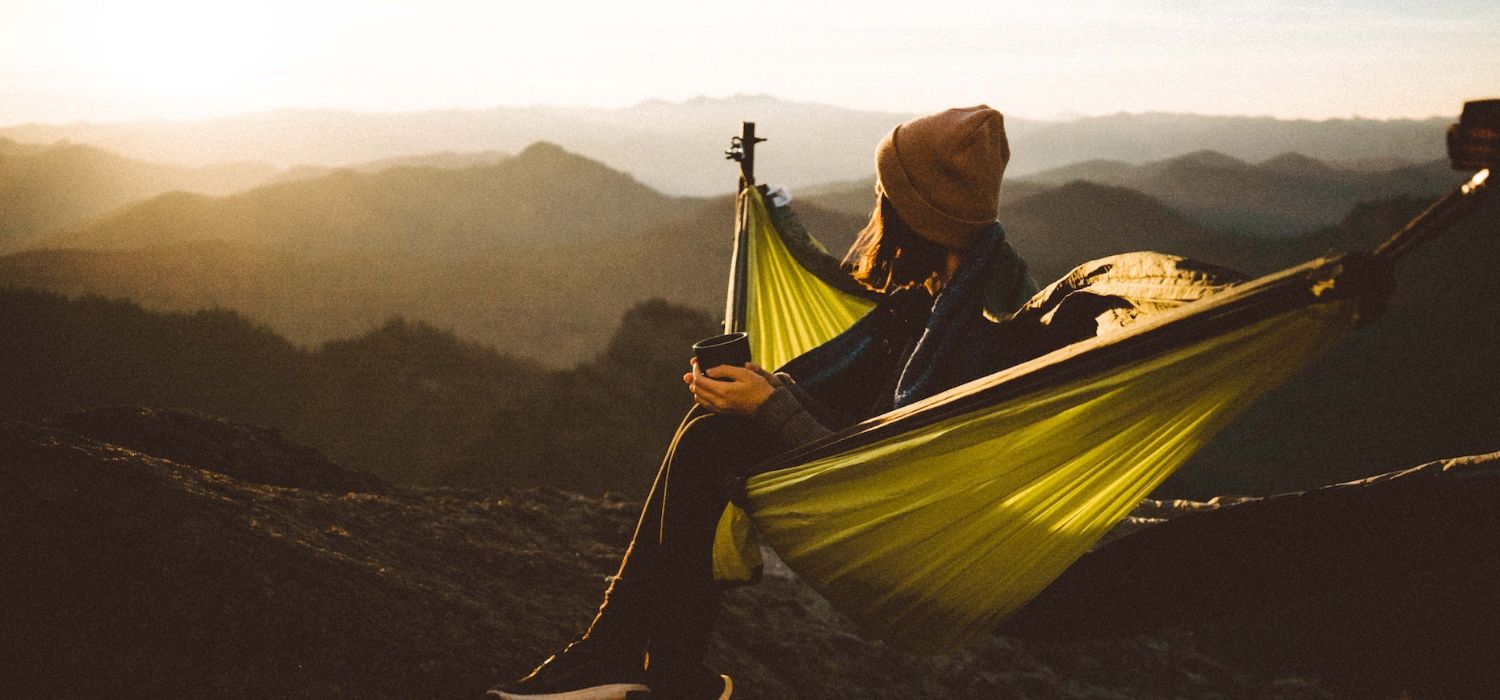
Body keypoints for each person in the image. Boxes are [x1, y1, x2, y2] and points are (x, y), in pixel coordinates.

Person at [488, 106, 1036, 700]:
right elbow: (868, 415)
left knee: (712, 440)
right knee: (710, 419)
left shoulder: (982, 320)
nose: (876, 204)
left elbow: (906, 462)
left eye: (888, 193)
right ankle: (632, 654)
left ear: (919, 212)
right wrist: (764, 390)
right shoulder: (939, 289)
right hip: (880, 476)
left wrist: (769, 408)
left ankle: (648, 664)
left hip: (909, 514)